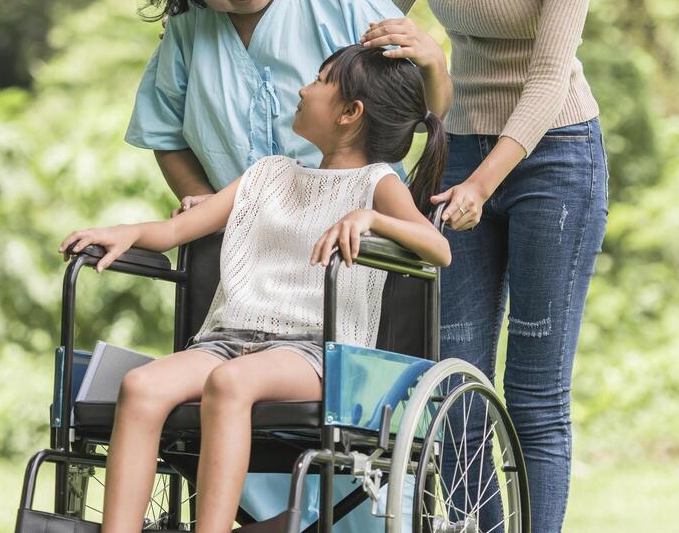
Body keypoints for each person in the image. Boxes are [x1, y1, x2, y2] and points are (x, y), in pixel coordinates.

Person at [125, 0, 449, 526]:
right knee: (208, 387)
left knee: (256, 395)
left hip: (341, 257)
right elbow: (163, 131)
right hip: (245, 252)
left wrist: (435, 67)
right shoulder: (189, 34)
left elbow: (410, 108)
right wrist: (204, 207)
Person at [372, 0, 610, 532]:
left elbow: (548, 75)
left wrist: (482, 181)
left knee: (534, 397)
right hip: (457, 155)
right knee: (455, 381)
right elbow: (371, 18)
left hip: (551, 159)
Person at [64, 45, 451, 532]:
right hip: (226, 340)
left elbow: (439, 249)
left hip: (314, 352)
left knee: (231, 383)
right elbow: (176, 232)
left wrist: (373, 219)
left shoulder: (375, 184)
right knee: (140, 386)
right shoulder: (267, 175)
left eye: (320, 80)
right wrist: (126, 233)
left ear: (351, 113)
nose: (303, 88)